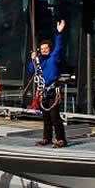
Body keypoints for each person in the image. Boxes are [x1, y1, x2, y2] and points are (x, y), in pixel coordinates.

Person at [30, 19, 68, 147]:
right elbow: (32, 70)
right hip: (42, 90)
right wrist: (33, 59)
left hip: (53, 90)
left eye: (46, 48)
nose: (44, 50)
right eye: (42, 49)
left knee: (54, 116)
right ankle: (47, 137)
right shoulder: (39, 61)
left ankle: (61, 138)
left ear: (50, 49)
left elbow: (59, 46)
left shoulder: (53, 57)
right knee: (45, 117)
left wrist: (59, 33)